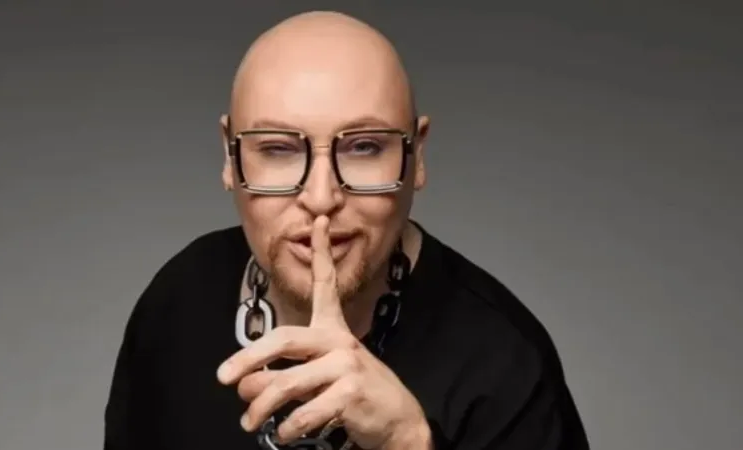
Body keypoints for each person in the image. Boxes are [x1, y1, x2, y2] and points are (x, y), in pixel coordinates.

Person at [103, 10, 590, 450]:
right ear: (230, 157)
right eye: (277, 148)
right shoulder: (178, 298)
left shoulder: (507, 364)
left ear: (417, 156)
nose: (321, 198)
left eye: (364, 147)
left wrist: (408, 442)